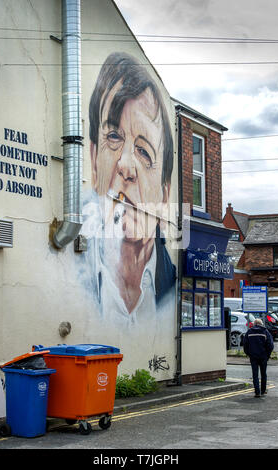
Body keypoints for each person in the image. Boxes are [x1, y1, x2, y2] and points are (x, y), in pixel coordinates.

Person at [83, 51, 176, 325]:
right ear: (93, 160)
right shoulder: (75, 267)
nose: (125, 165)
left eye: (144, 152)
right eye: (113, 137)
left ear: (164, 195)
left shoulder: (169, 285)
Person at [243, 318, 274, 397]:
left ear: (254, 324)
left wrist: (249, 354)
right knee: (263, 374)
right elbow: (270, 345)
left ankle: (257, 392)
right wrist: (268, 355)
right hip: (263, 356)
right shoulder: (265, 332)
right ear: (261, 324)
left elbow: (245, 344)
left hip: (253, 357)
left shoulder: (249, 332)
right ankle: (263, 391)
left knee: (255, 375)